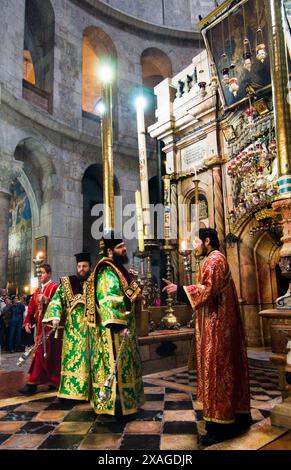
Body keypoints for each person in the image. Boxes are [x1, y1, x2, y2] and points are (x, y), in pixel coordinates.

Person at [163, 228, 251, 446]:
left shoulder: (214, 260)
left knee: (217, 373)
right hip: (219, 325)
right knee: (226, 371)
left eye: (197, 242)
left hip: (217, 327)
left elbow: (208, 290)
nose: (195, 247)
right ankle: (237, 417)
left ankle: (220, 428)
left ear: (207, 240)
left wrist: (180, 289)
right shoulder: (216, 259)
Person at [85, 232, 145, 416]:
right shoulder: (106, 270)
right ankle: (113, 406)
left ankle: (126, 403)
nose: (124, 249)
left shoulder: (118, 269)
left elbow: (128, 292)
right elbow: (108, 298)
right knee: (114, 368)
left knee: (125, 368)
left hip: (124, 325)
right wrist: (119, 326)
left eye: (124, 245)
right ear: (110, 251)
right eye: (120, 247)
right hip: (113, 329)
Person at [43, 253, 92, 401]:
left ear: (90, 267)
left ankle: (90, 392)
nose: (81, 269)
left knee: (89, 362)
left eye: (84, 266)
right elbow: (57, 300)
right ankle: (71, 392)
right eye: (79, 266)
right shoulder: (68, 283)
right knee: (72, 362)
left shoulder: (96, 282)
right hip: (72, 333)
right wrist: (55, 316)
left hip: (91, 330)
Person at [19, 263, 61, 395]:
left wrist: (47, 300)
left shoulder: (55, 288)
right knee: (46, 356)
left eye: (42, 272)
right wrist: (27, 322)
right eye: (39, 273)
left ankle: (32, 383)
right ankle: (53, 381)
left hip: (50, 329)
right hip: (39, 329)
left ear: (49, 274)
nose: (40, 275)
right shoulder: (37, 290)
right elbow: (31, 307)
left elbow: (59, 304)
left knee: (40, 354)